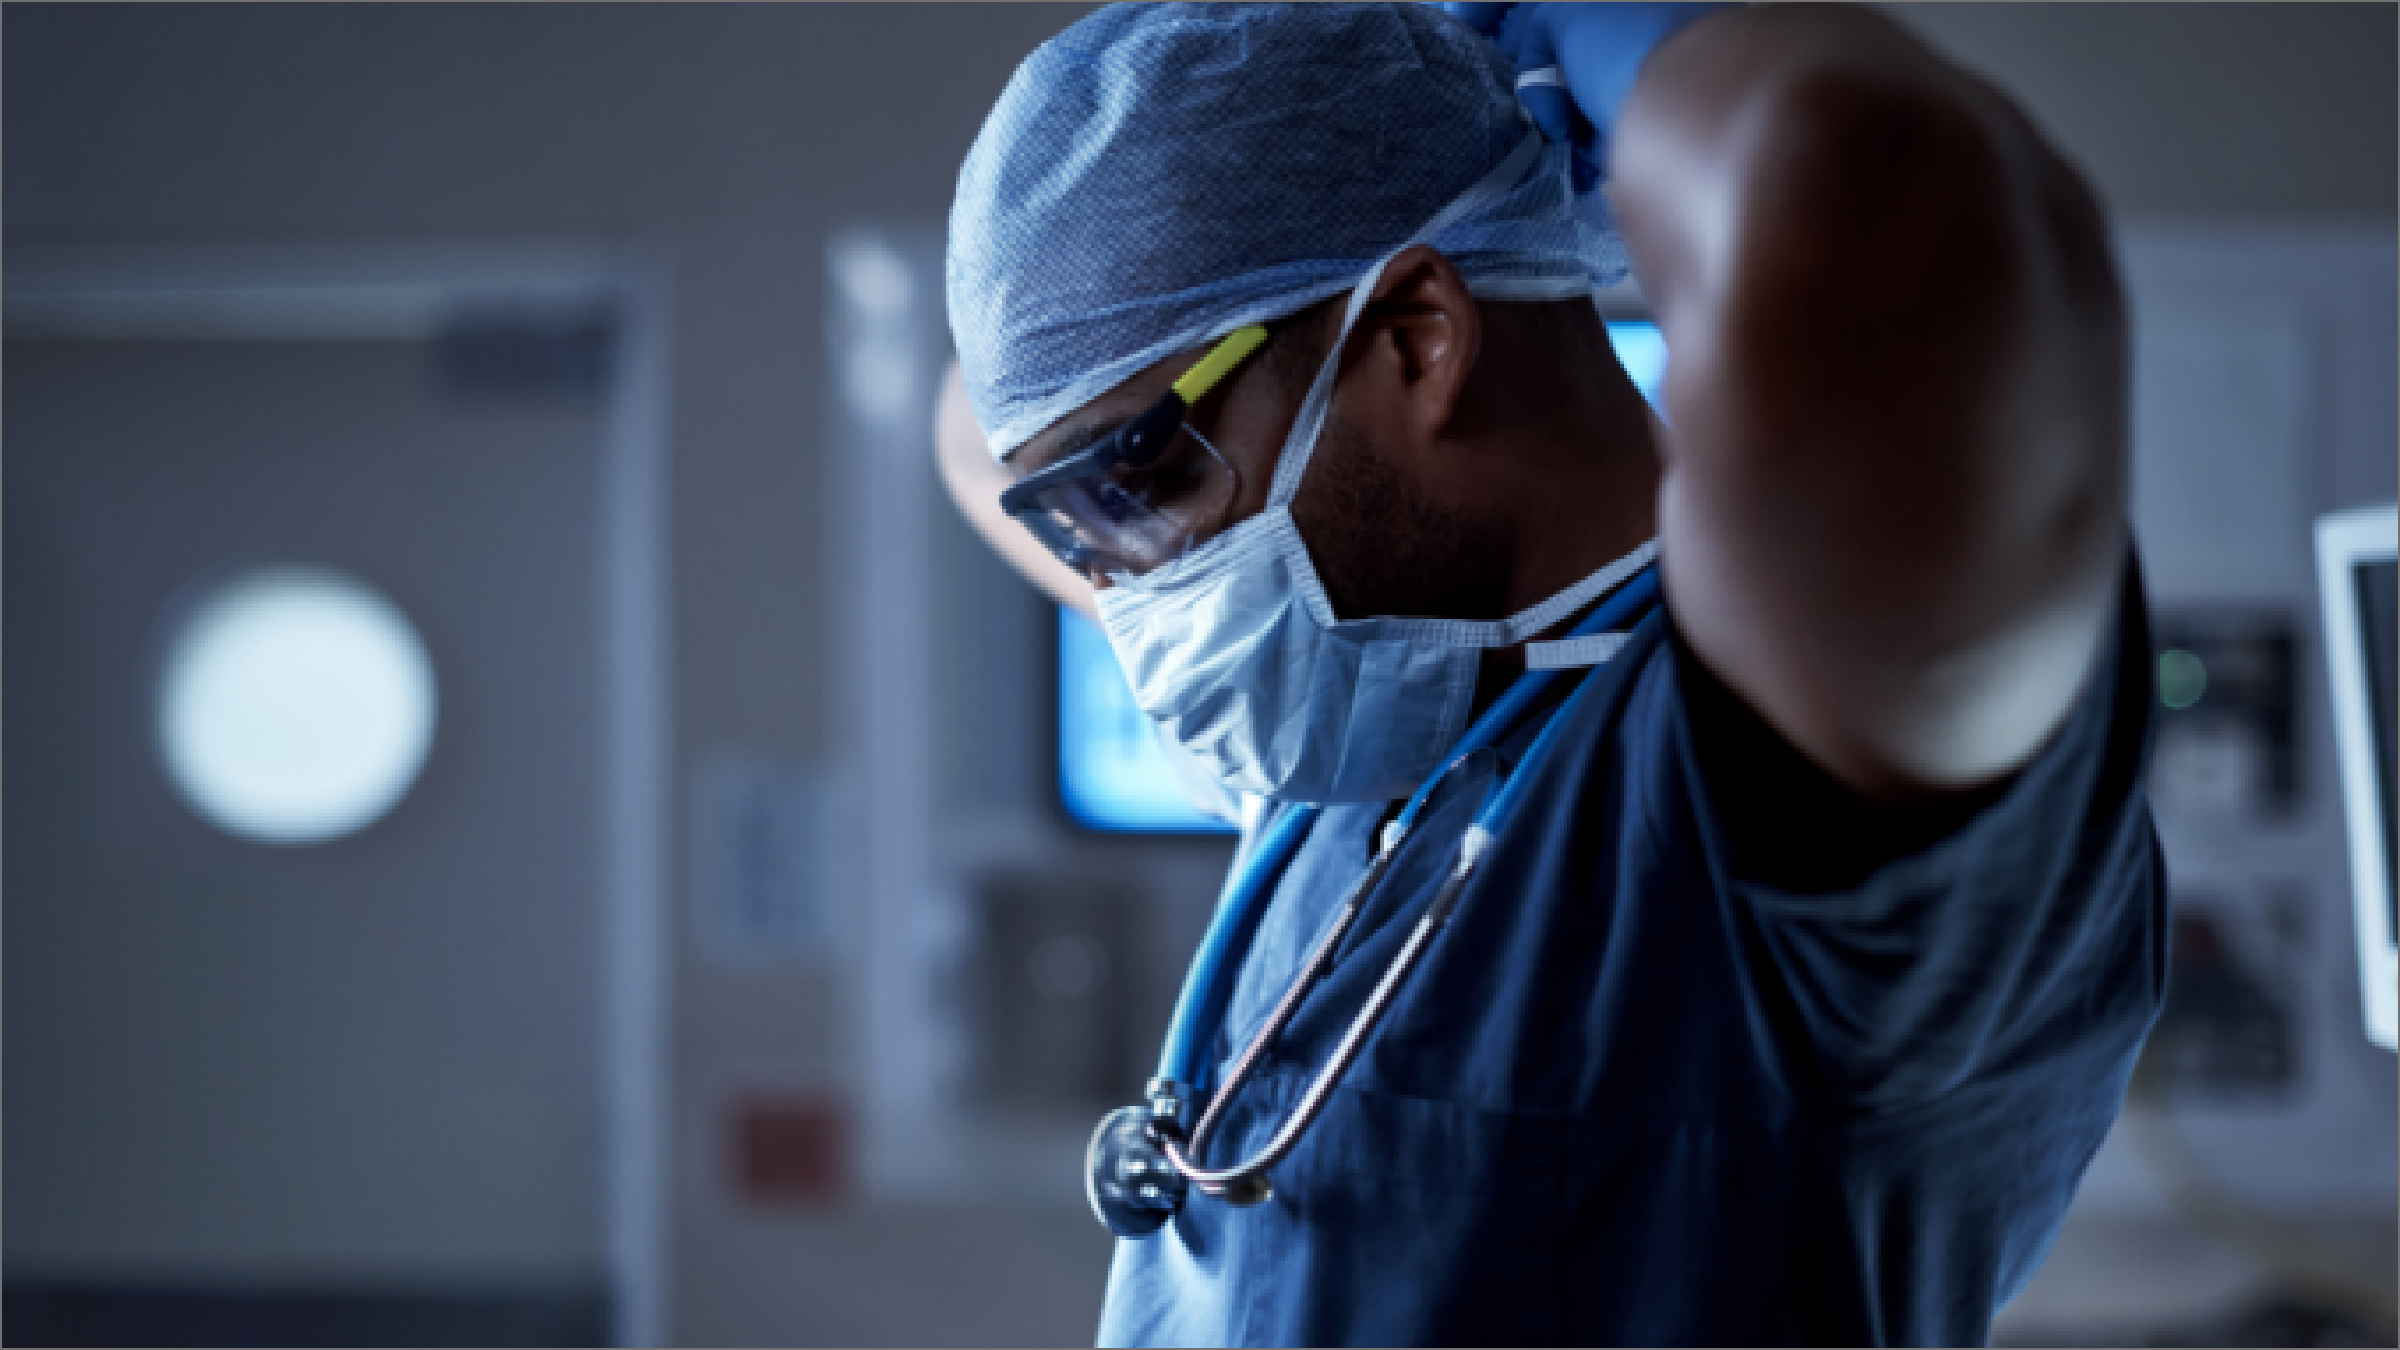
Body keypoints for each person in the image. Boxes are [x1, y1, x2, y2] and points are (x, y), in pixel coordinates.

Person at [936, 4, 2162, 1344]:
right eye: (1070, 530)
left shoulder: (1778, 778)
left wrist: (1634, 51)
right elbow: (984, 416)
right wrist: (1285, 121)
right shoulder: (1379, 712)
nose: (1128, 593)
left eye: (1136, 486)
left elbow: (1896, 210)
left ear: (1415, 337)